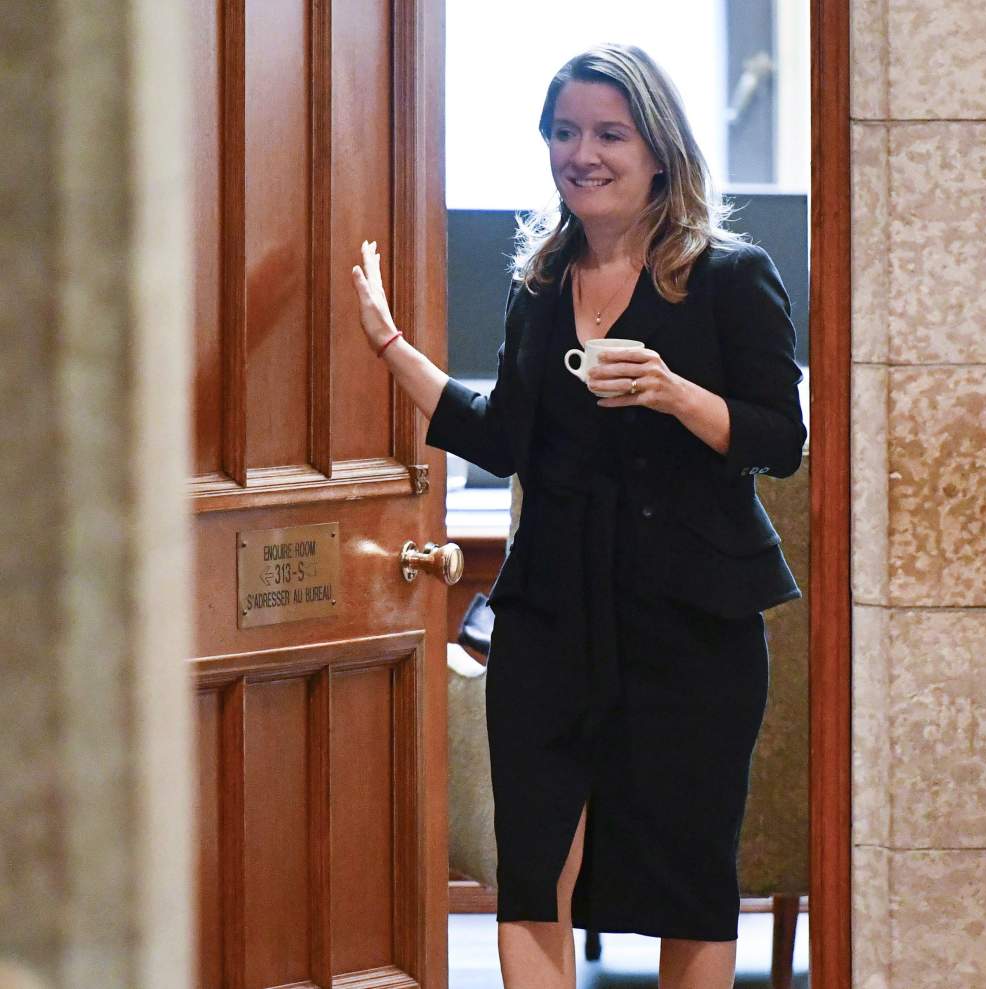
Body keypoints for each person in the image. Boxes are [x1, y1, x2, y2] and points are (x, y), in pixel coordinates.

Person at [352, 43, 805, 989]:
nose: (581, 153)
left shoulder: (730, 274)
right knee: (530, 871)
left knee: (690, 875)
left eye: (608, 133)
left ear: (658, 150)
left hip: (693, 624)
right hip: (549, 617)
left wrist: (679, 393)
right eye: (564, 132)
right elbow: (508, 435)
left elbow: (779, 436)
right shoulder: (538, 284)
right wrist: (392, 346)